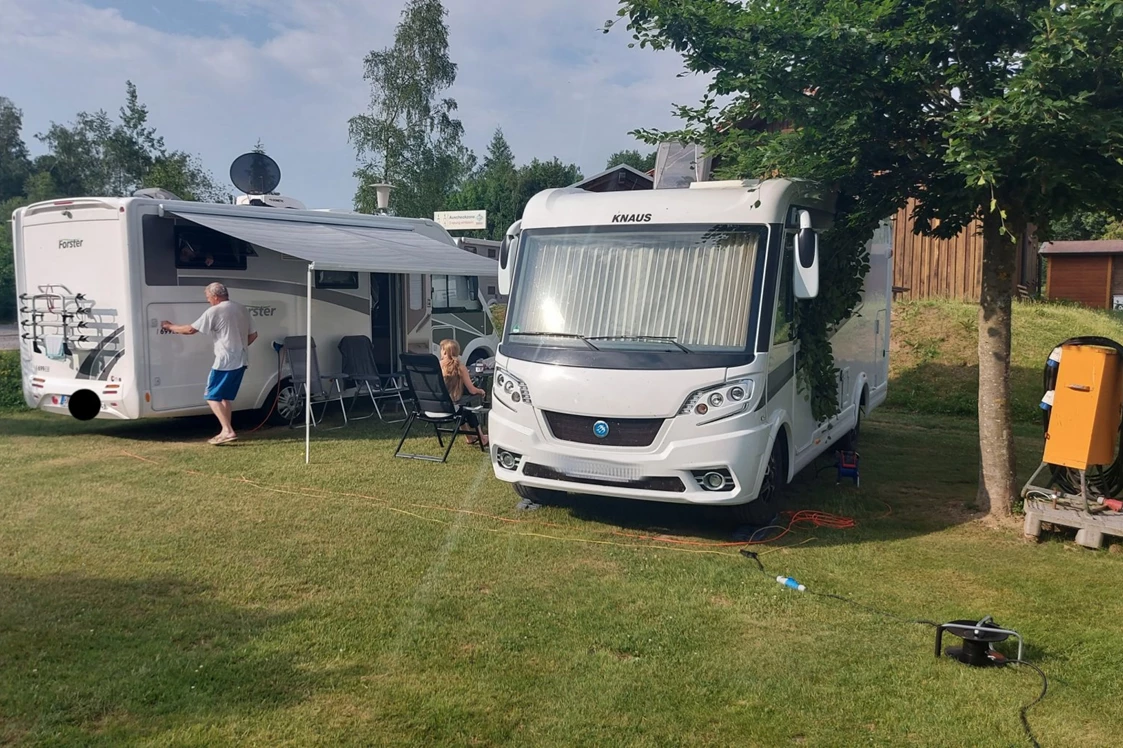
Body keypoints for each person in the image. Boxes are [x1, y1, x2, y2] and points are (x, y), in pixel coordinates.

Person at [161, 282, 257, 445]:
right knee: (225, 397)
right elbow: (253, 335)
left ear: (215, 296)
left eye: (208, 298)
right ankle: (225, 430)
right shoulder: (241, 308)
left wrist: (169, 326)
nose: (208, 301)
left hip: (225, 362)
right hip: (241, 360)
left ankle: (228, 431)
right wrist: (237, 347)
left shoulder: (215, 311)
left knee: (211, 395)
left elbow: (190, 330)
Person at [439, 338, 488, 446]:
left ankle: (470, 437)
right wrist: (480, 390)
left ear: (445, 351)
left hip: (437, 405)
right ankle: (481, 437)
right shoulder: (460, 367)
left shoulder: (438, 366)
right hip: (452, 407)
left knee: (463, 405)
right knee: (465, 405)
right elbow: (471, 389)